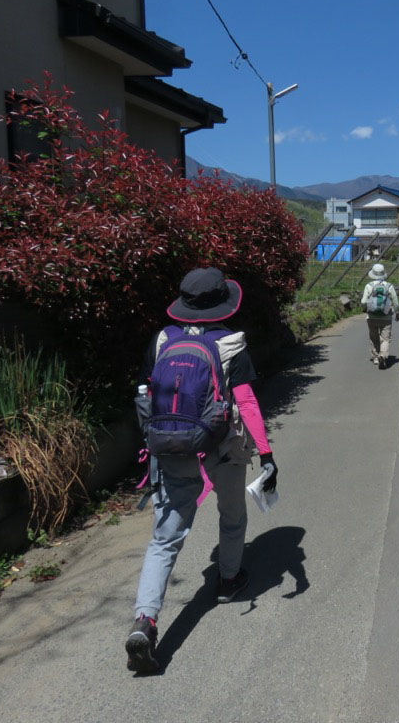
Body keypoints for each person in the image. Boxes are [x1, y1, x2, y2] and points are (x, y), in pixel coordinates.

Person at [126, 267, 278, 674]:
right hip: (222, 448)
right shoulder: (231, 343)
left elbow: (145, 394)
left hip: (170, 447)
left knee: (164, 539)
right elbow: (246, 403)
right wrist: (265, 454)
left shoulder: (161, 340)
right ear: (220, 303)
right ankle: (229, 580)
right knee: (232, 516)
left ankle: (145, 619)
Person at [360, 262, 399, 368]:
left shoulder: (369, 286)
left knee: (374, 337)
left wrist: (365, 309)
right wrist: (397, 312)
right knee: (385, 338)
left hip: (372, 317)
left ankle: (376, 357)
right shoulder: (389, 286)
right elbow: (395, 301)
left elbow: (364, 301)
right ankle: (383, 355)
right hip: (386, 316)